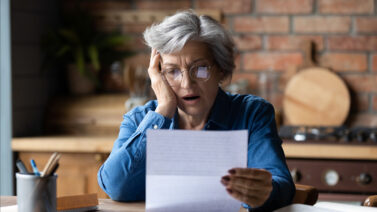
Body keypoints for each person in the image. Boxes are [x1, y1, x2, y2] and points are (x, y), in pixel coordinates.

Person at [97, 10, 295, 211]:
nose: (187, 84)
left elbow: (282, 185)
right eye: (172, 71)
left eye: (200, 69)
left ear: (221, 69)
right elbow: (115, 186)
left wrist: (263, 192)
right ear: (159, 76)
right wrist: (163, 109)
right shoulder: (140, 119)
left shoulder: (252, 113)